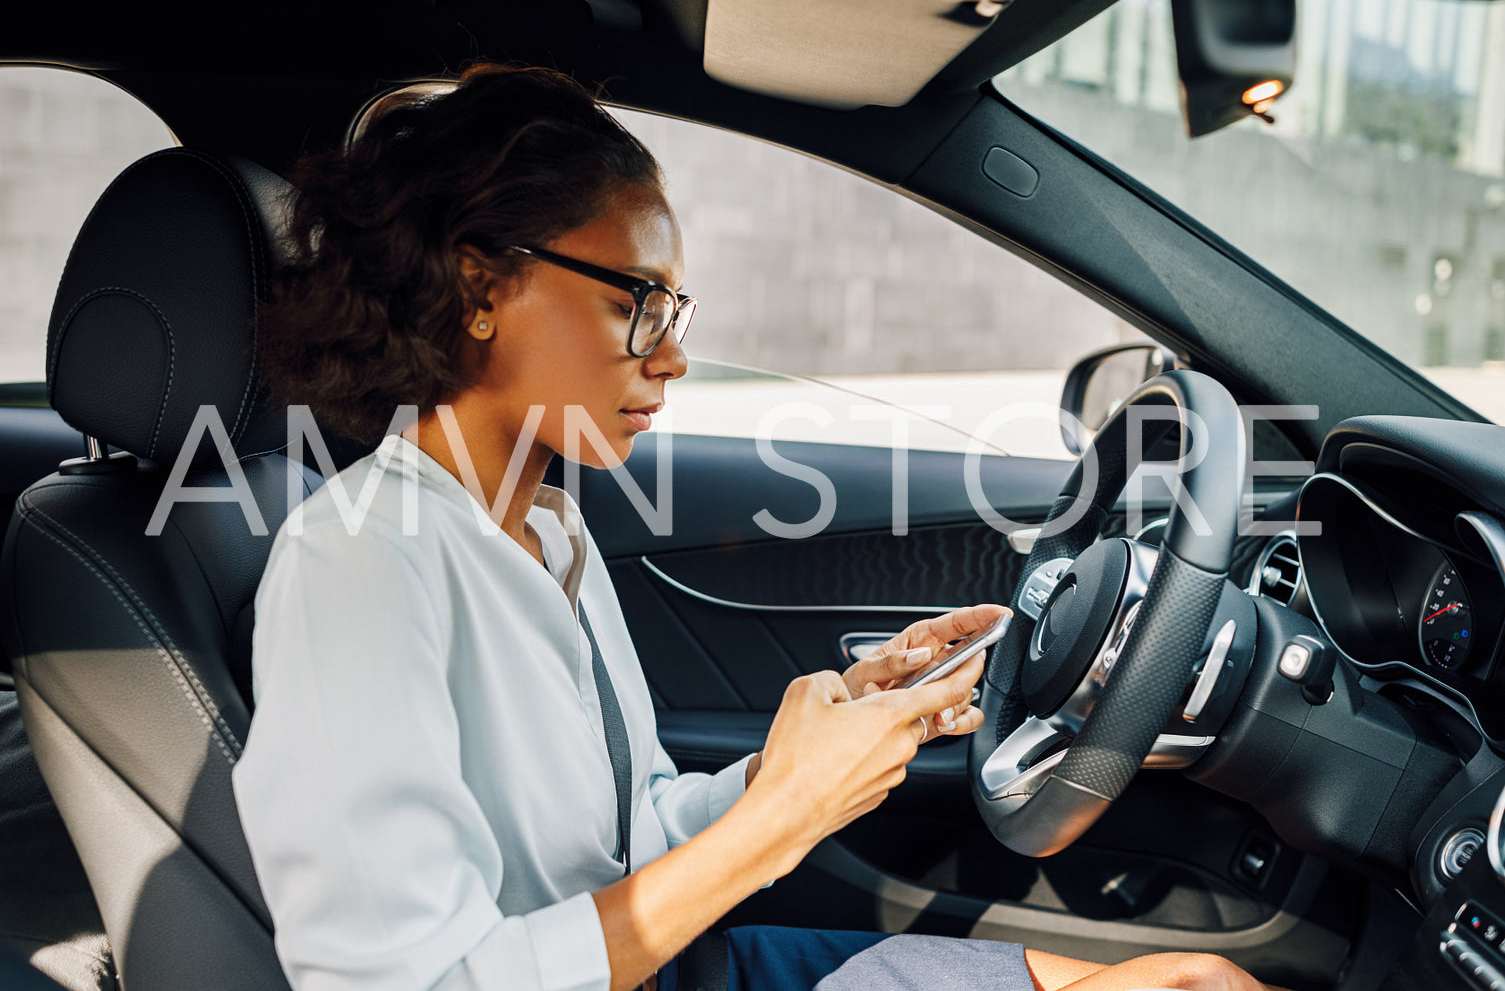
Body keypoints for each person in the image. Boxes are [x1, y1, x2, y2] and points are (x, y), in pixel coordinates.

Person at [231, 62, 1284, 991]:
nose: (672, 354)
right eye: (635, 300)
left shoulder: (546, 531)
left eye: (675, 312)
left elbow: (624, 834)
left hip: (683, 965)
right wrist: (781, 815)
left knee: (1180, 983)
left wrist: (816, 751)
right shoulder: (359, 563)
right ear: (479, 284)